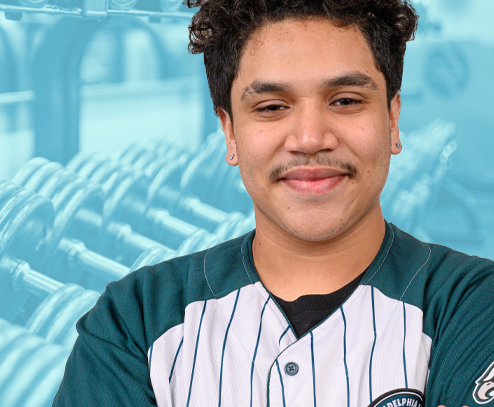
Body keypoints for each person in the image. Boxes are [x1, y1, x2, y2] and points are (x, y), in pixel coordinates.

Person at [52, 0, 494, 406]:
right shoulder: (137, 319)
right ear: (230, 133)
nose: (310, 139)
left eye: (345, 101)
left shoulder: (473, 305)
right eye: (270, 107)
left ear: (392, 120)